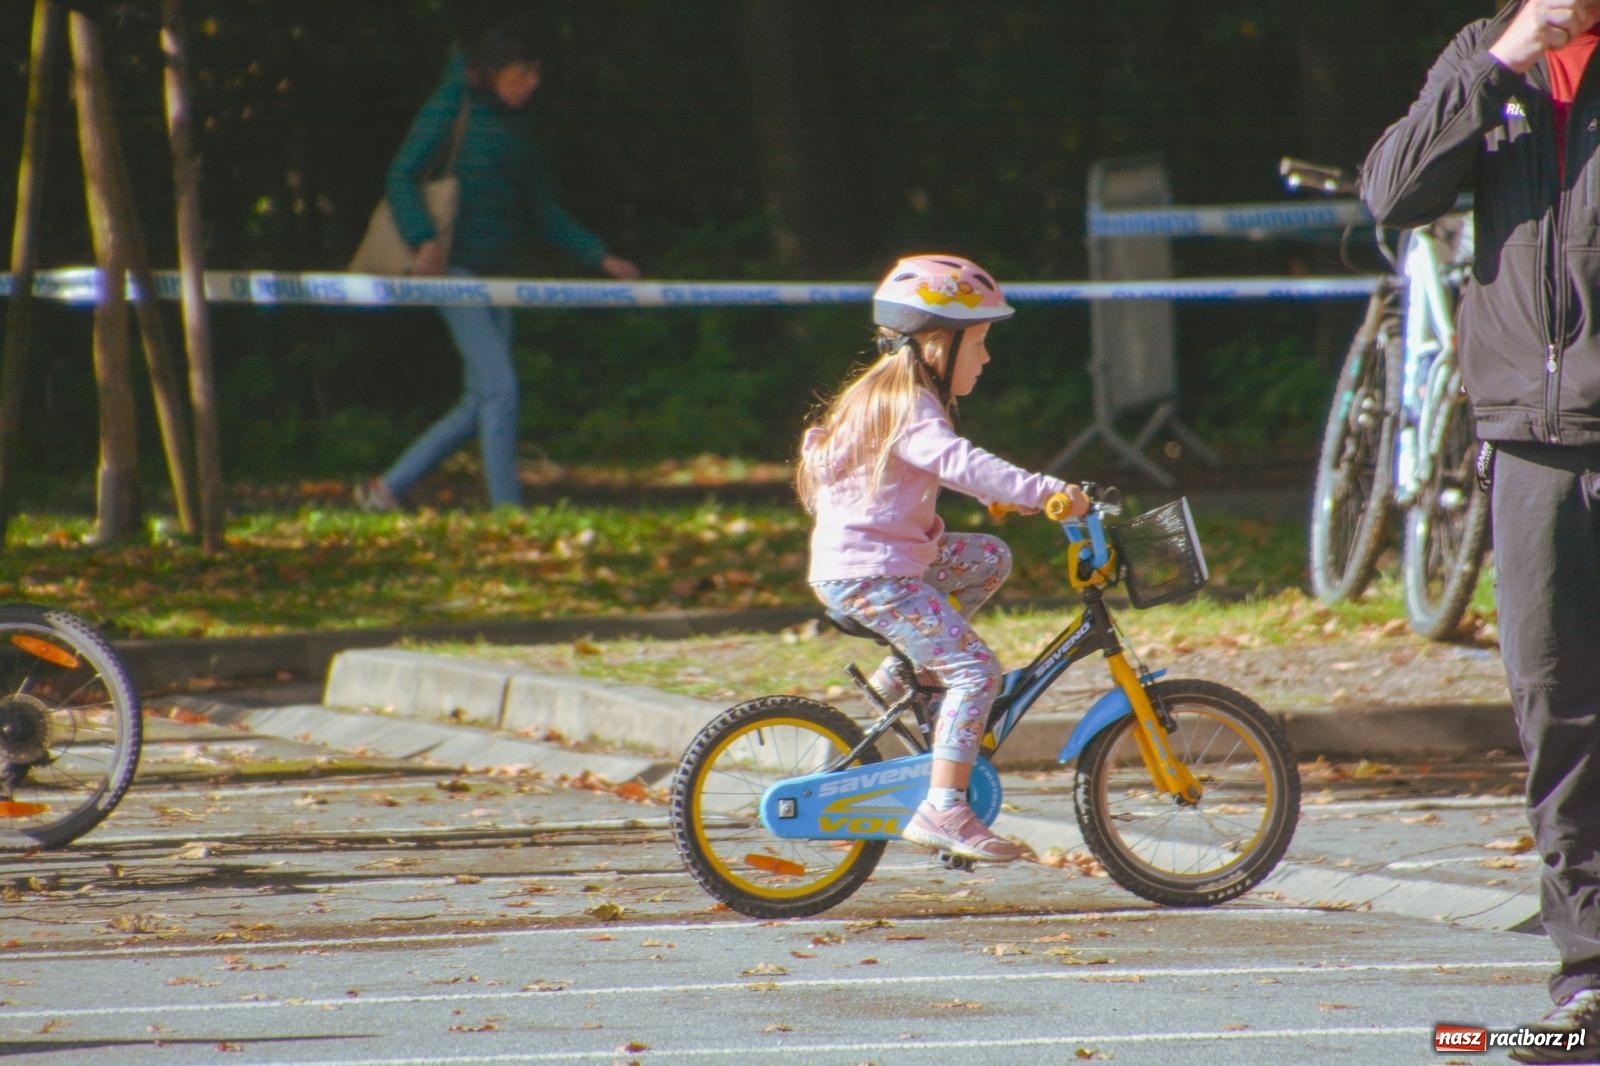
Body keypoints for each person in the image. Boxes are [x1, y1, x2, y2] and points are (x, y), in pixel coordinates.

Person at [1361, 2, 1600, 1060]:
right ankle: (1589, 975)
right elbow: (1390, 191)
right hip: (1527, 439)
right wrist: (1500, 63)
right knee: (1558, 714)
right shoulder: (1484, 56)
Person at [796, 254, 1090, 863]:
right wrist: (1044, 490)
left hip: (875, 564)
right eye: (978, 343)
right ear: (936, 343)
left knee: (985, 556)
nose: (986, 358)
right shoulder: (909, 403)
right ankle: (943, 808)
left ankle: (906, 672)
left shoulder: (887, 395)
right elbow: (956, 459)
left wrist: (995, 499)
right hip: (873, 574)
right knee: (976, 670)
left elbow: (935, 466)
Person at [358, 25, 640, 512]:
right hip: (453, 273)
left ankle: (384, 490)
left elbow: (543, 210)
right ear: (493, 71)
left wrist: (601, 256)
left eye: (536, 74)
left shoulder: (517, 129)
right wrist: (424, 240)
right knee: (500, 389)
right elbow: (401, 175)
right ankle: (509, 514)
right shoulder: (451, 106)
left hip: (496, 278)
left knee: (481, 400)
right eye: (523, 72)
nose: (532, 83)